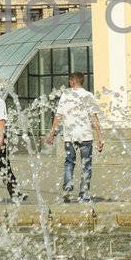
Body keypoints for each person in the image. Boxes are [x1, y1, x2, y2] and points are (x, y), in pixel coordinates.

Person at [43, 73, 103, 203]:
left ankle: (67, 188)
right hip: (85, 135)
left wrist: (51, 134)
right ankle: (84, 195)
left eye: (70, 81)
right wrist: (100, 137)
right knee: (86, 165)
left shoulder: (66, 95)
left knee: (69, 162)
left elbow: (58, 117)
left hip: (69, 137)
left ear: (72, 82)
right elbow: (94, 118)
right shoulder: (88, 95)